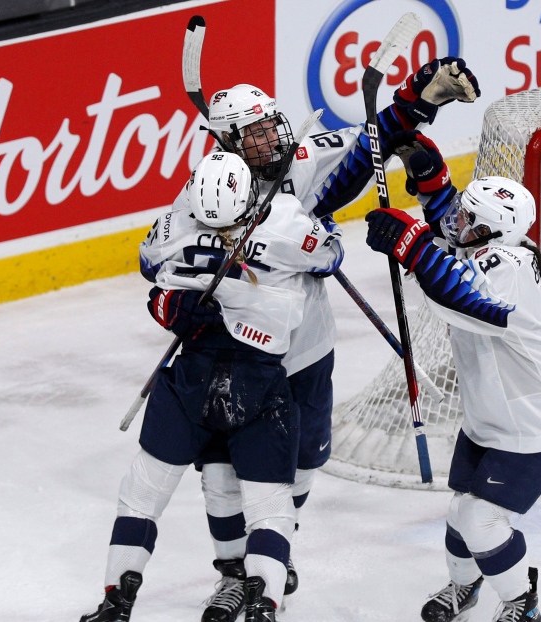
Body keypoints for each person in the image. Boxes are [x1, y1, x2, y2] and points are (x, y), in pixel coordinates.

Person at [156, 57, 479, 622]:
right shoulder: (202, 192)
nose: (270, 137)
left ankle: (274, 544)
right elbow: (152, 254)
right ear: (229, 143)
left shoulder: (298, 154)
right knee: (224, 474)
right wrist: (182, 294)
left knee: (306, 459)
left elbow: (366, 147)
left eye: (269, 125)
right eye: (253, 133)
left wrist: (417, 100)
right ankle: (236, 575)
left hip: (306, 348)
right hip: (232, 351)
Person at [79, 151, 345, 622]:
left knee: (145, 494)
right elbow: (328, 259)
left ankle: (116, 604)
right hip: (255, 381)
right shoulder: (282, 219)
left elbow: (147, 266)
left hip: (194, 378)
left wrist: (167, 304)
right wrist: (326, 232)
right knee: (265, 506)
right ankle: (259, 602)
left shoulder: (178, 219)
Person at [364, 169, 541, 622]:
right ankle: (464, 590)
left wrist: (412, 246)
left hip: (538, 422)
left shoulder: (509, 266)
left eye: (467, 217)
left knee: (481, 522)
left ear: (489, 231)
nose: (456, 221)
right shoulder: (488, 247)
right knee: (458, 513)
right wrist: (430, 179)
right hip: (492, 415)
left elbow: (462, 297)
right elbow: (447, 245)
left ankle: (523, 605)